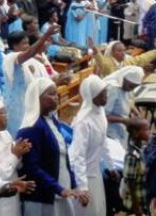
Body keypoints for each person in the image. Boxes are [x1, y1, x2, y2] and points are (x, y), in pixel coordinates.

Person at [17, 78, 87, 215]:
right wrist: (59, 188)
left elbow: (63, 159)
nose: (56, 97)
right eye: (51, 94)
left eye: (56, 94)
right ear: (37, 98)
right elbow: (32, 168)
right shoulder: (31, 128)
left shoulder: (52, 121)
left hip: (61, 191)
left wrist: (74, 186)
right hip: (43, 198)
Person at [69, 76, 108, 216]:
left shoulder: (100, 112)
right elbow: (78, 156)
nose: (106, 96)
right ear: (93, 96)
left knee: (99, 210)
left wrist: (111, 165)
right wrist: (83, 188)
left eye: (106, 92)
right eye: (102, 93)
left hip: (95, 173)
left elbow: (104, 141)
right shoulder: (83, 122)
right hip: (84, 176)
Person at [102, 65, 144, 146]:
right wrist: (124, 120)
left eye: (134, 87)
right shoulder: (113, 89)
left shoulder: (127, 87)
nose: (131, 89)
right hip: (108, 128)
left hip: (120, 126)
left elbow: (128, 101)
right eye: (130, 86)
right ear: (123, 79)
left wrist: (136, 112)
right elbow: (103, 115)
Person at [89, 37, 156, 78]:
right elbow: (101, 61)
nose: (123, 53)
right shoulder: (107, 63)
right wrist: (94, 48)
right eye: (119, 51)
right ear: (112, 52)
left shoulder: (127, 62)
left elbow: (142, 58)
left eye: (124, 51)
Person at [120, 119, 150, 216]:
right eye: (146, 130)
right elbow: (130, 182)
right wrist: (136, 207)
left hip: (143, 198)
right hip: (134, 203)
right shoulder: (132, 155)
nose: (149, 132)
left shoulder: (142, 149)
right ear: (136, 133)